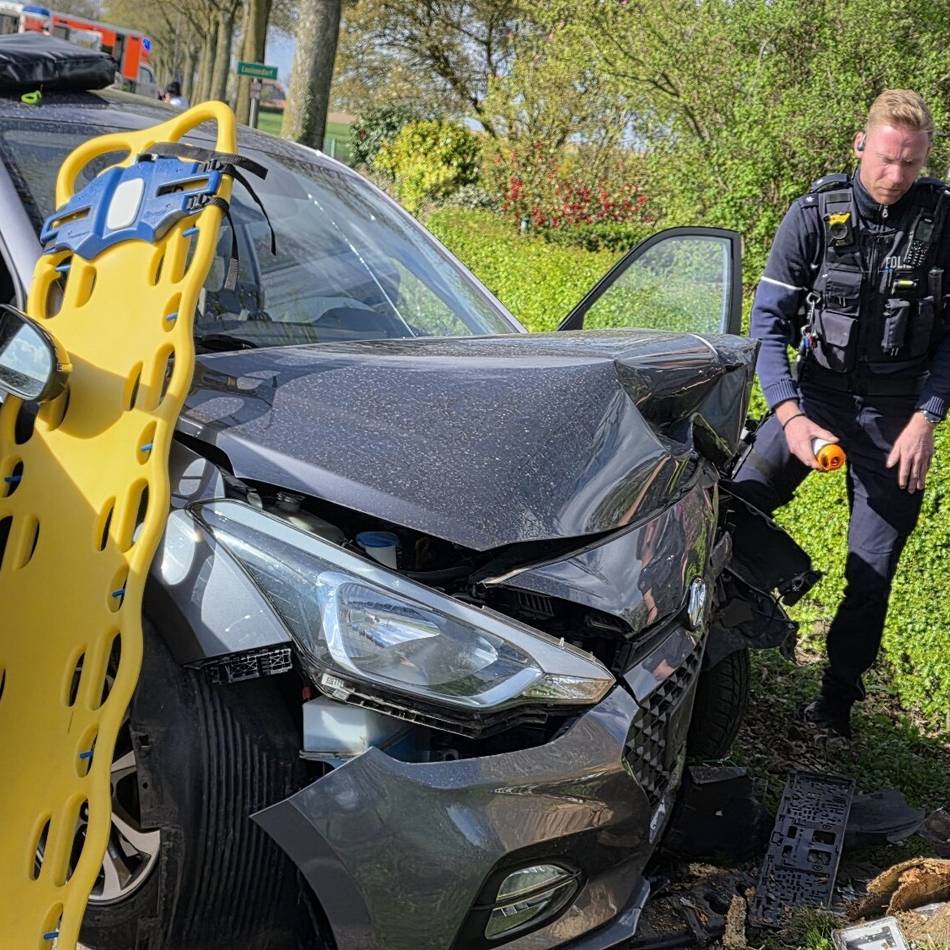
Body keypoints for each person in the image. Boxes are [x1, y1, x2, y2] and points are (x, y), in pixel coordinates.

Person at [732, 89, 950, 740]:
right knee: (729, 507)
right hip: (816, 397)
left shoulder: (943, 224)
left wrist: (927, 417)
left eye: (910, 164)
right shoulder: (812, 215)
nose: (895, 175)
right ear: (861, 145)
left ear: (925, 158)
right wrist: (792, 418)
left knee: (872, 572)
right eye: (885, 158)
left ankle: (833, 705)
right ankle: (719, 644)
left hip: (894, 414)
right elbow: (768, 329)